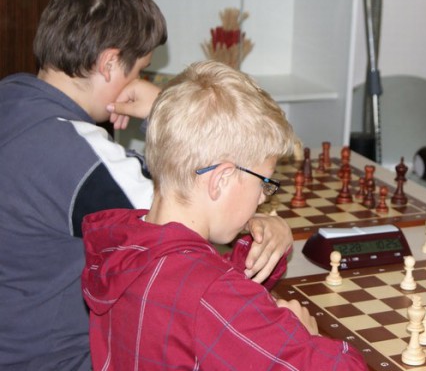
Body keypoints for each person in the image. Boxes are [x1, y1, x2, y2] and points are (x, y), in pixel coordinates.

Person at [0, 0, 292, 370]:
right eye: (139, 71)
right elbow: (188, 217)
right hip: (59, 359)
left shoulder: (12, 96)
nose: (139, 81)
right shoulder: (78, 153)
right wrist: (162, 106)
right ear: (109, 64)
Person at [80, 60, 367, 369]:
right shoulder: (211, 295)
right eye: (263, 183)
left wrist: (259, 250)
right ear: (221, 179)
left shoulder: (124, 245)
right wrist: (309, 337)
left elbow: (204, 290)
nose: (262, 197)